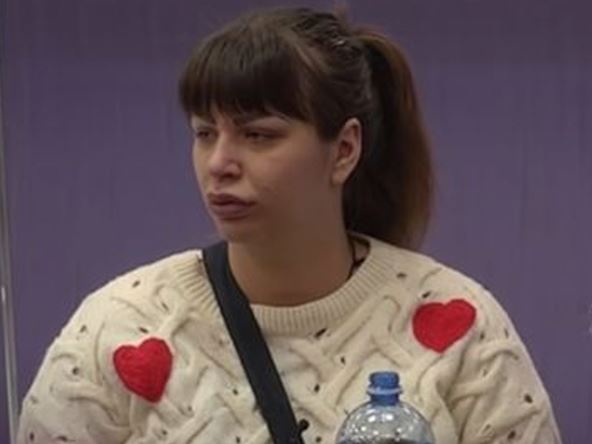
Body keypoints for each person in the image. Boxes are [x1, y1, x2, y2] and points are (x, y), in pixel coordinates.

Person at [17, 6, 562, 444]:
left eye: (258, 135)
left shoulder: (465, 329)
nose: (219, 163)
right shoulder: (117, 326)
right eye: (205, 133)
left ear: (343, 150)